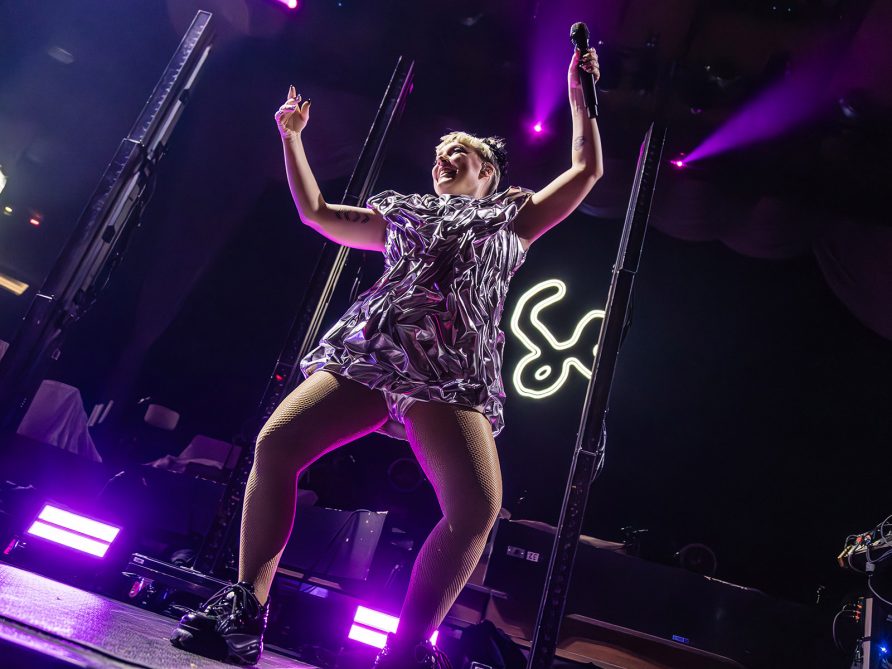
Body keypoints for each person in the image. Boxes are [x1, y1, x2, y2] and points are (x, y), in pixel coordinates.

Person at [171, 46, 602, 667]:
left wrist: (579, 94)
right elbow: (317, 214)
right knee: (276, 445)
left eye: (461, 152)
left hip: (449, 372)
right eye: (438, 152)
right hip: (376, 350)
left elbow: (586, 171)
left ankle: (407, 649)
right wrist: (292, 138)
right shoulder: (407, 213)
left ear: (490, 173)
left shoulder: (513, 217)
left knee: (476, 510)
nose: (443, 157)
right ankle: (244, 610)